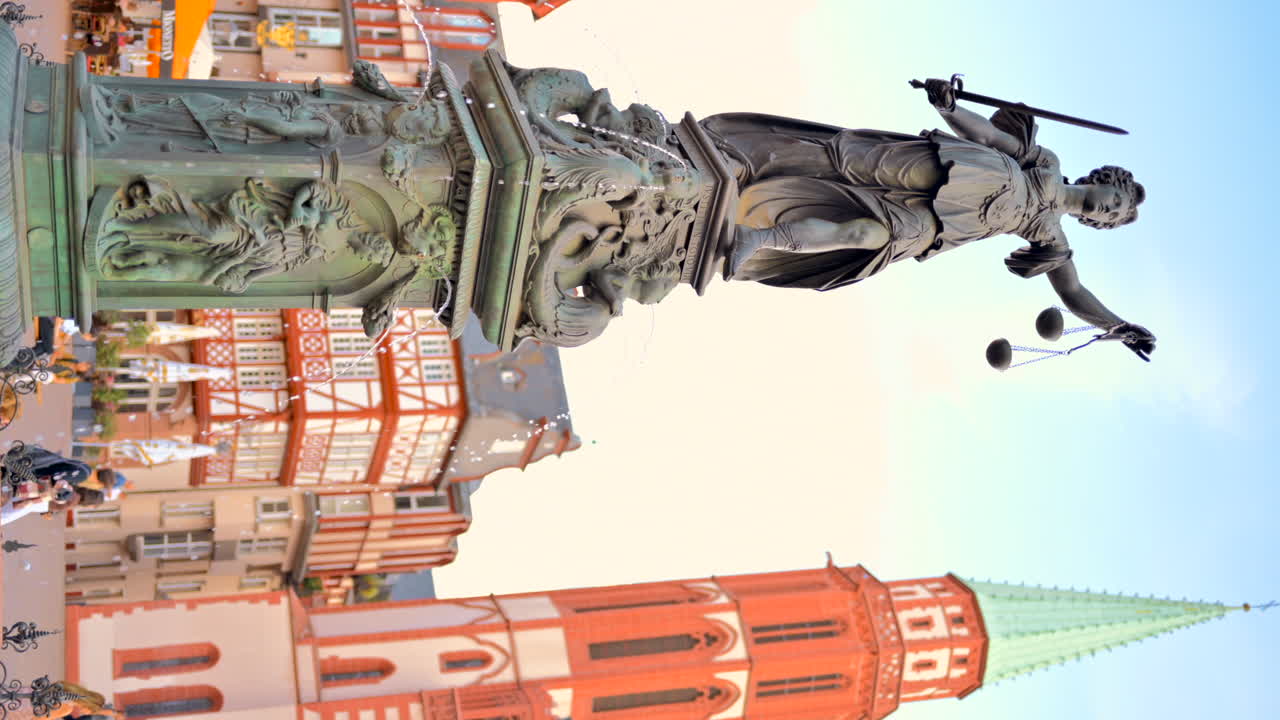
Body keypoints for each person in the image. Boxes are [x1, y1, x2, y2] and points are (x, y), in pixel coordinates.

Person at [708, 78, 1155, 359]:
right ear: (1102, 178)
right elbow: (992, 135)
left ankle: (759, 236)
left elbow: (1074, 292)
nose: (1108, 208)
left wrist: (1116, 326)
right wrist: (949, 109)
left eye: (1113, 216)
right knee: (846, 159)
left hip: (945, 225)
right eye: (1114, 198)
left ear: (1100, 225)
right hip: (958, 165)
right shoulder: (1049, 163)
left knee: (870, 238)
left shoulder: (1052, 237)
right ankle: (748, 155)